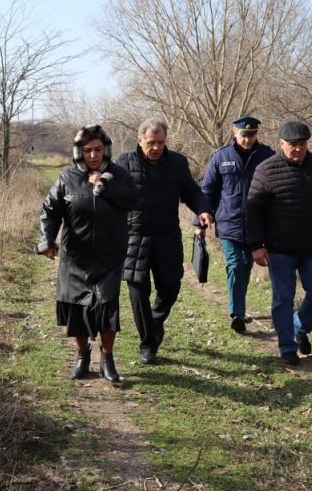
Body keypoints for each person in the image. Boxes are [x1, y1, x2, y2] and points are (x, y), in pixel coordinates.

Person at [37, 124, 137, 382]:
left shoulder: (119, 175)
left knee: (106, 308)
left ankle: (107, 359)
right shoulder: (66, 179)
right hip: (75, 259)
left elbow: (132, 200)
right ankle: (82, 357)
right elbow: (50, 211)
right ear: (79, 151)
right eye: (88, 150)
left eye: (99, 150)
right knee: (76, 309)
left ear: (106, 151)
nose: (93, 155)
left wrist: (104, 186)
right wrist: (47, 239)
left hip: (109, 257)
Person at [246, 120, 312, 365]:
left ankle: (299, 326)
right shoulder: (266, 170)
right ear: (281, 144)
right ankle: (287, 347)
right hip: (280, 249)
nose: (298, 149)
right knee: (283, 298)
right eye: (292, 145)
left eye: (302, 144)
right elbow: (253, 211)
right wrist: (256, 245)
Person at [116, 119, 213, 365]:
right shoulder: (123, 164)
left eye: (160, 142)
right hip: (133, 239)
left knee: (170, 289)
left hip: (167, 237)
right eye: (151, 143)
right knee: (138, 292)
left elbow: (191, 191)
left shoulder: (177, 163)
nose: (156, 147)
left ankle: (154, 323)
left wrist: (202, 209)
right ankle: (148, 344)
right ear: (140, 140)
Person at [194, 116, 275, 334]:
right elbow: (208, 190)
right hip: (229, 224)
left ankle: (277, 311)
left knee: (249, 265)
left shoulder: (268, 156)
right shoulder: (221, 157)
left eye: (251, 135)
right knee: (237, 265)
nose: (247, 139)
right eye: (243, 135)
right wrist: (199, 221)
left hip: (260, 226)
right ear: (234, 133)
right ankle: (237, 313)